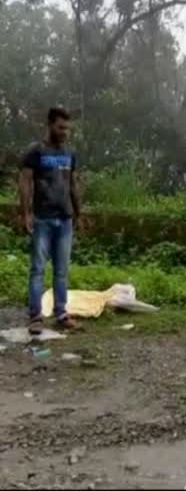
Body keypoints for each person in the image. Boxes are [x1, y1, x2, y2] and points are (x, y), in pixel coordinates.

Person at [19, 107, 82, 335]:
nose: (65, 132)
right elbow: (25, 182)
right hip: (42, 219)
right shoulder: (35, 151)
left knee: (61, 270)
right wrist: (25, 213)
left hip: (64, 220)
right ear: (50, 125)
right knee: (37, 269)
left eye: (67, 128)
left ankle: (61, 313)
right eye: (60, 127)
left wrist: (79, 213)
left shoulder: (69, 153)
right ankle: (35, 316)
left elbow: (72, 184)